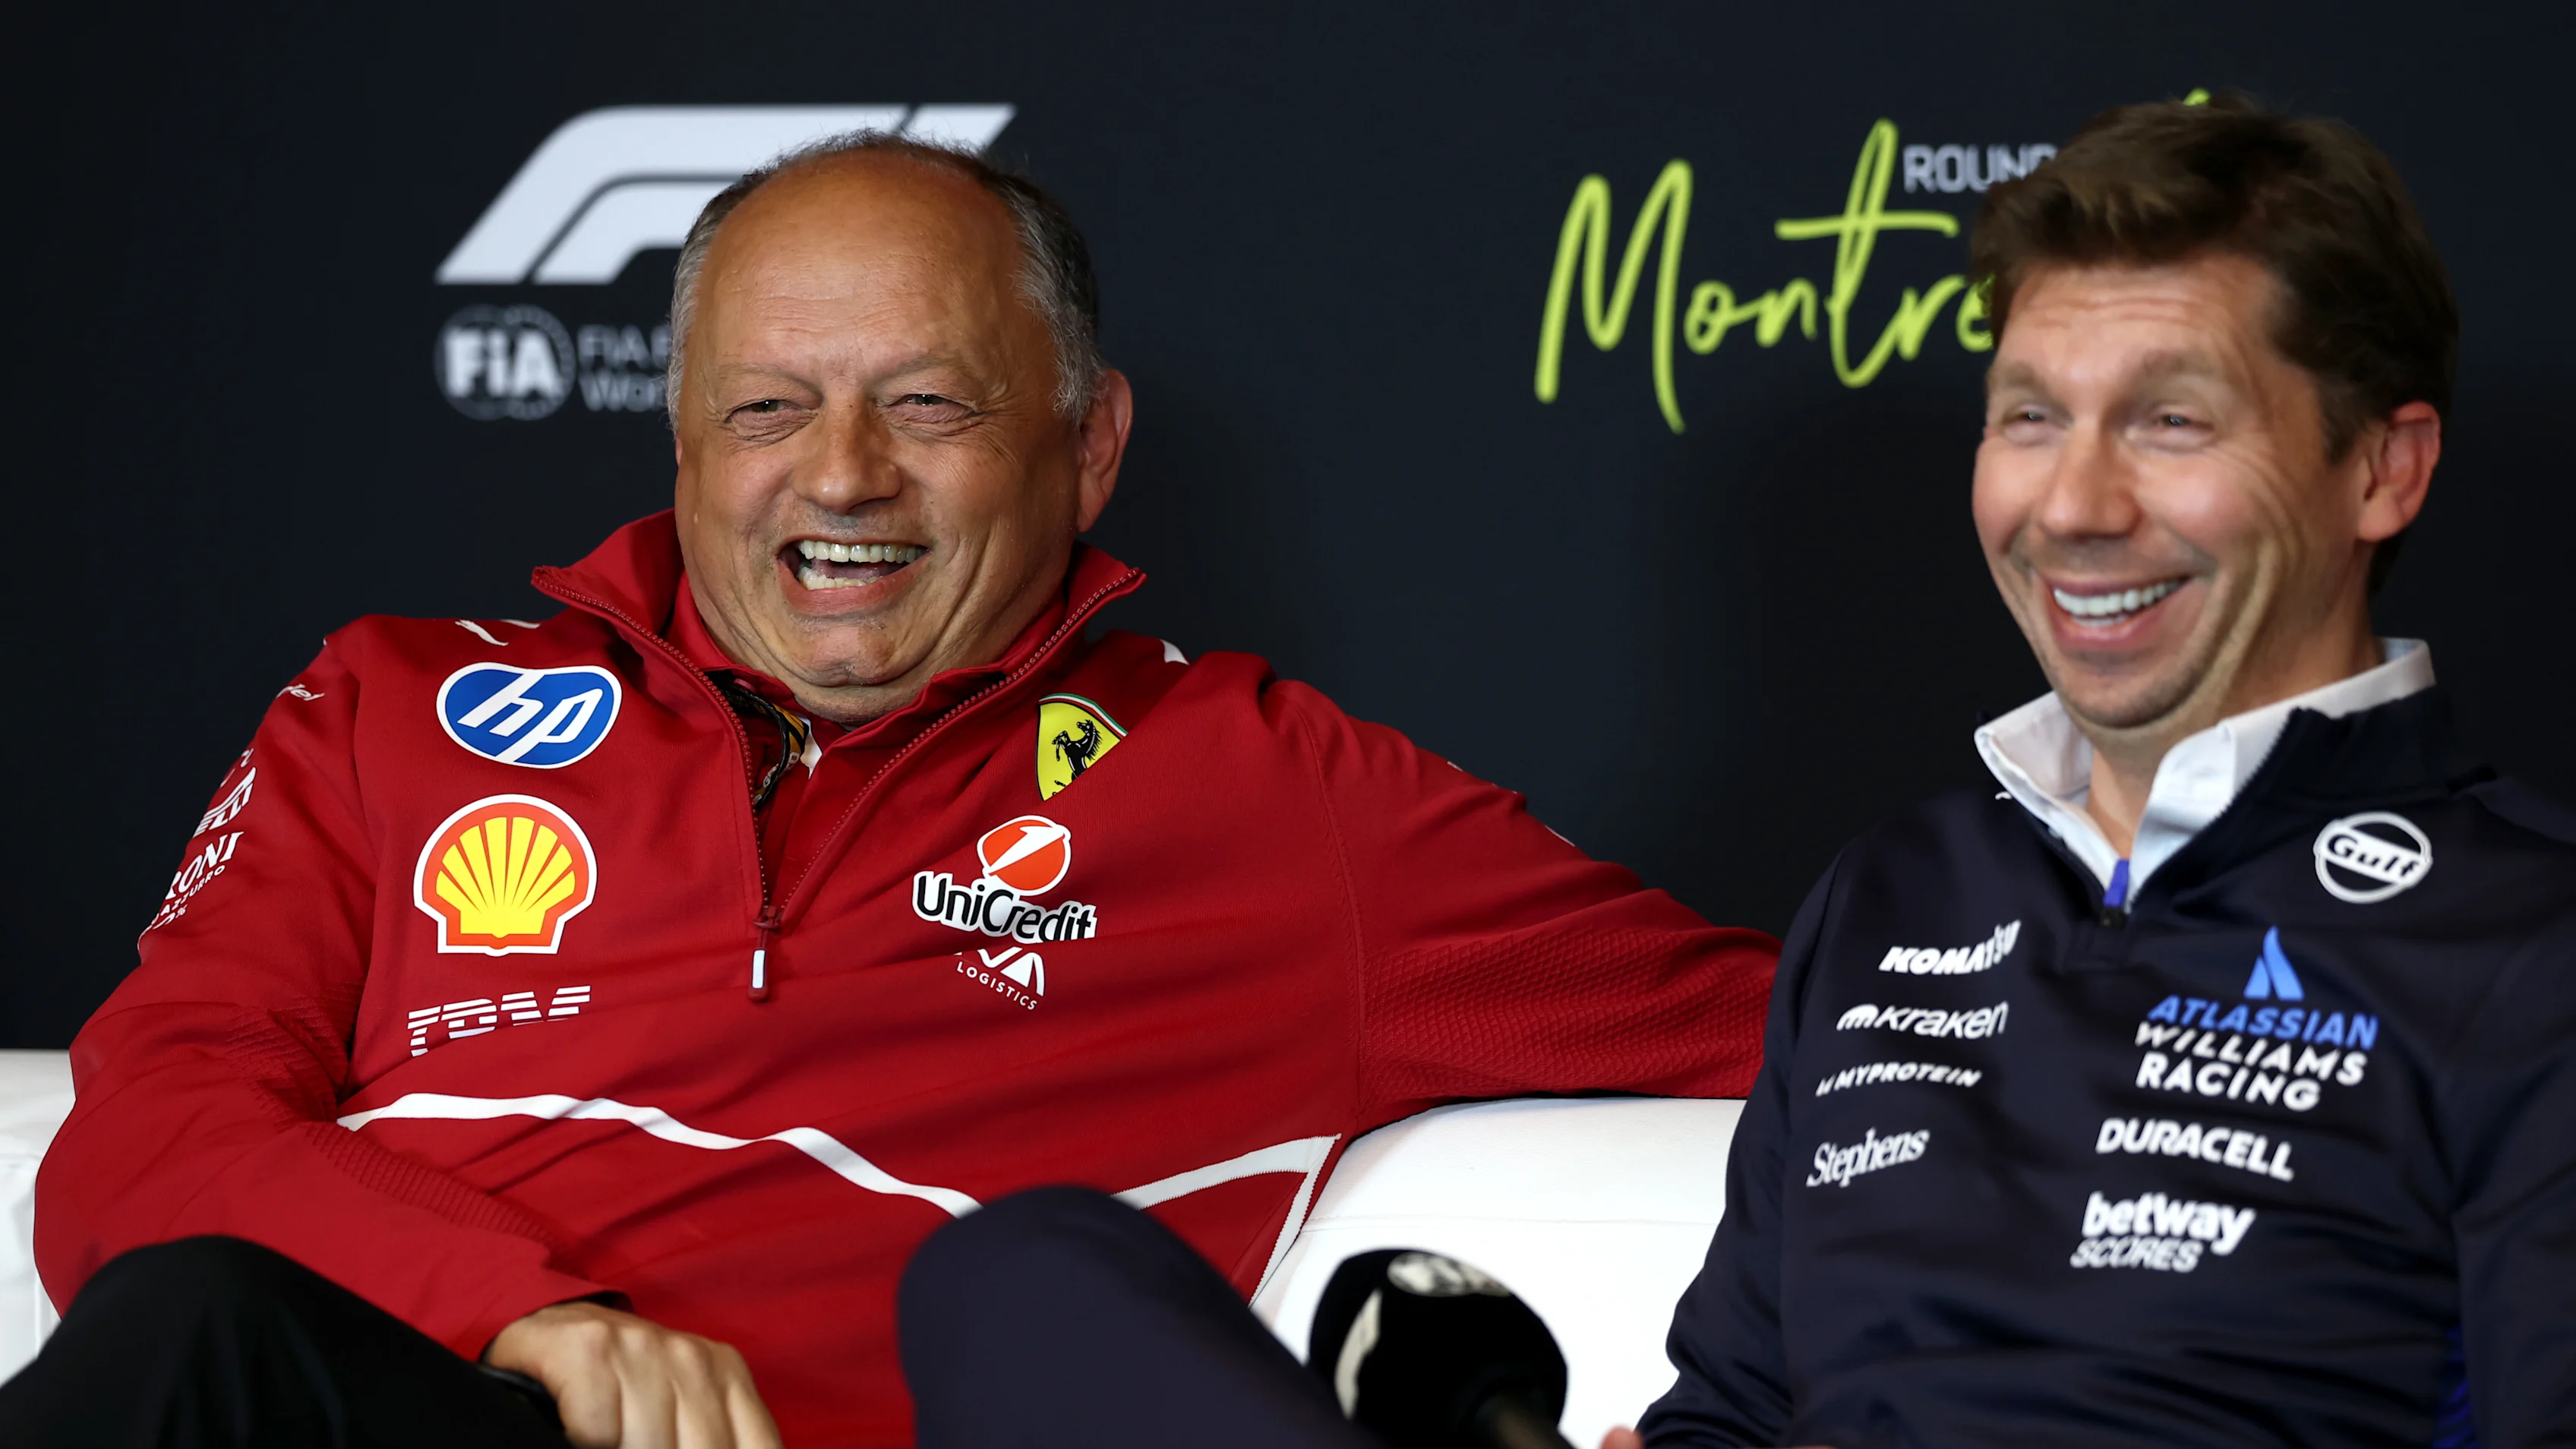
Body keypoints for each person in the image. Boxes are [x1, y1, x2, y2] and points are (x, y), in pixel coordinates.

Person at [1, 134, 1776, 1448]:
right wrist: (527, 1313)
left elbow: (1839, 1037)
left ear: (1089, 447)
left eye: (926, 403)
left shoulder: (1274, 792)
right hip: (392, 1388)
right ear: (682, 441)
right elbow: (140, 1137)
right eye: (768, 407)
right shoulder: (393, 707)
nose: (840, 477)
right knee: (197, 1323)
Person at [1634, 96, 2576, 1447]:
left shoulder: (2534, 945)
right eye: (2029, 416)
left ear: (2382, 469)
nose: (2073, 505)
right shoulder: (1893, 895)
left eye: (2172, 421)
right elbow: (1727, 1411)